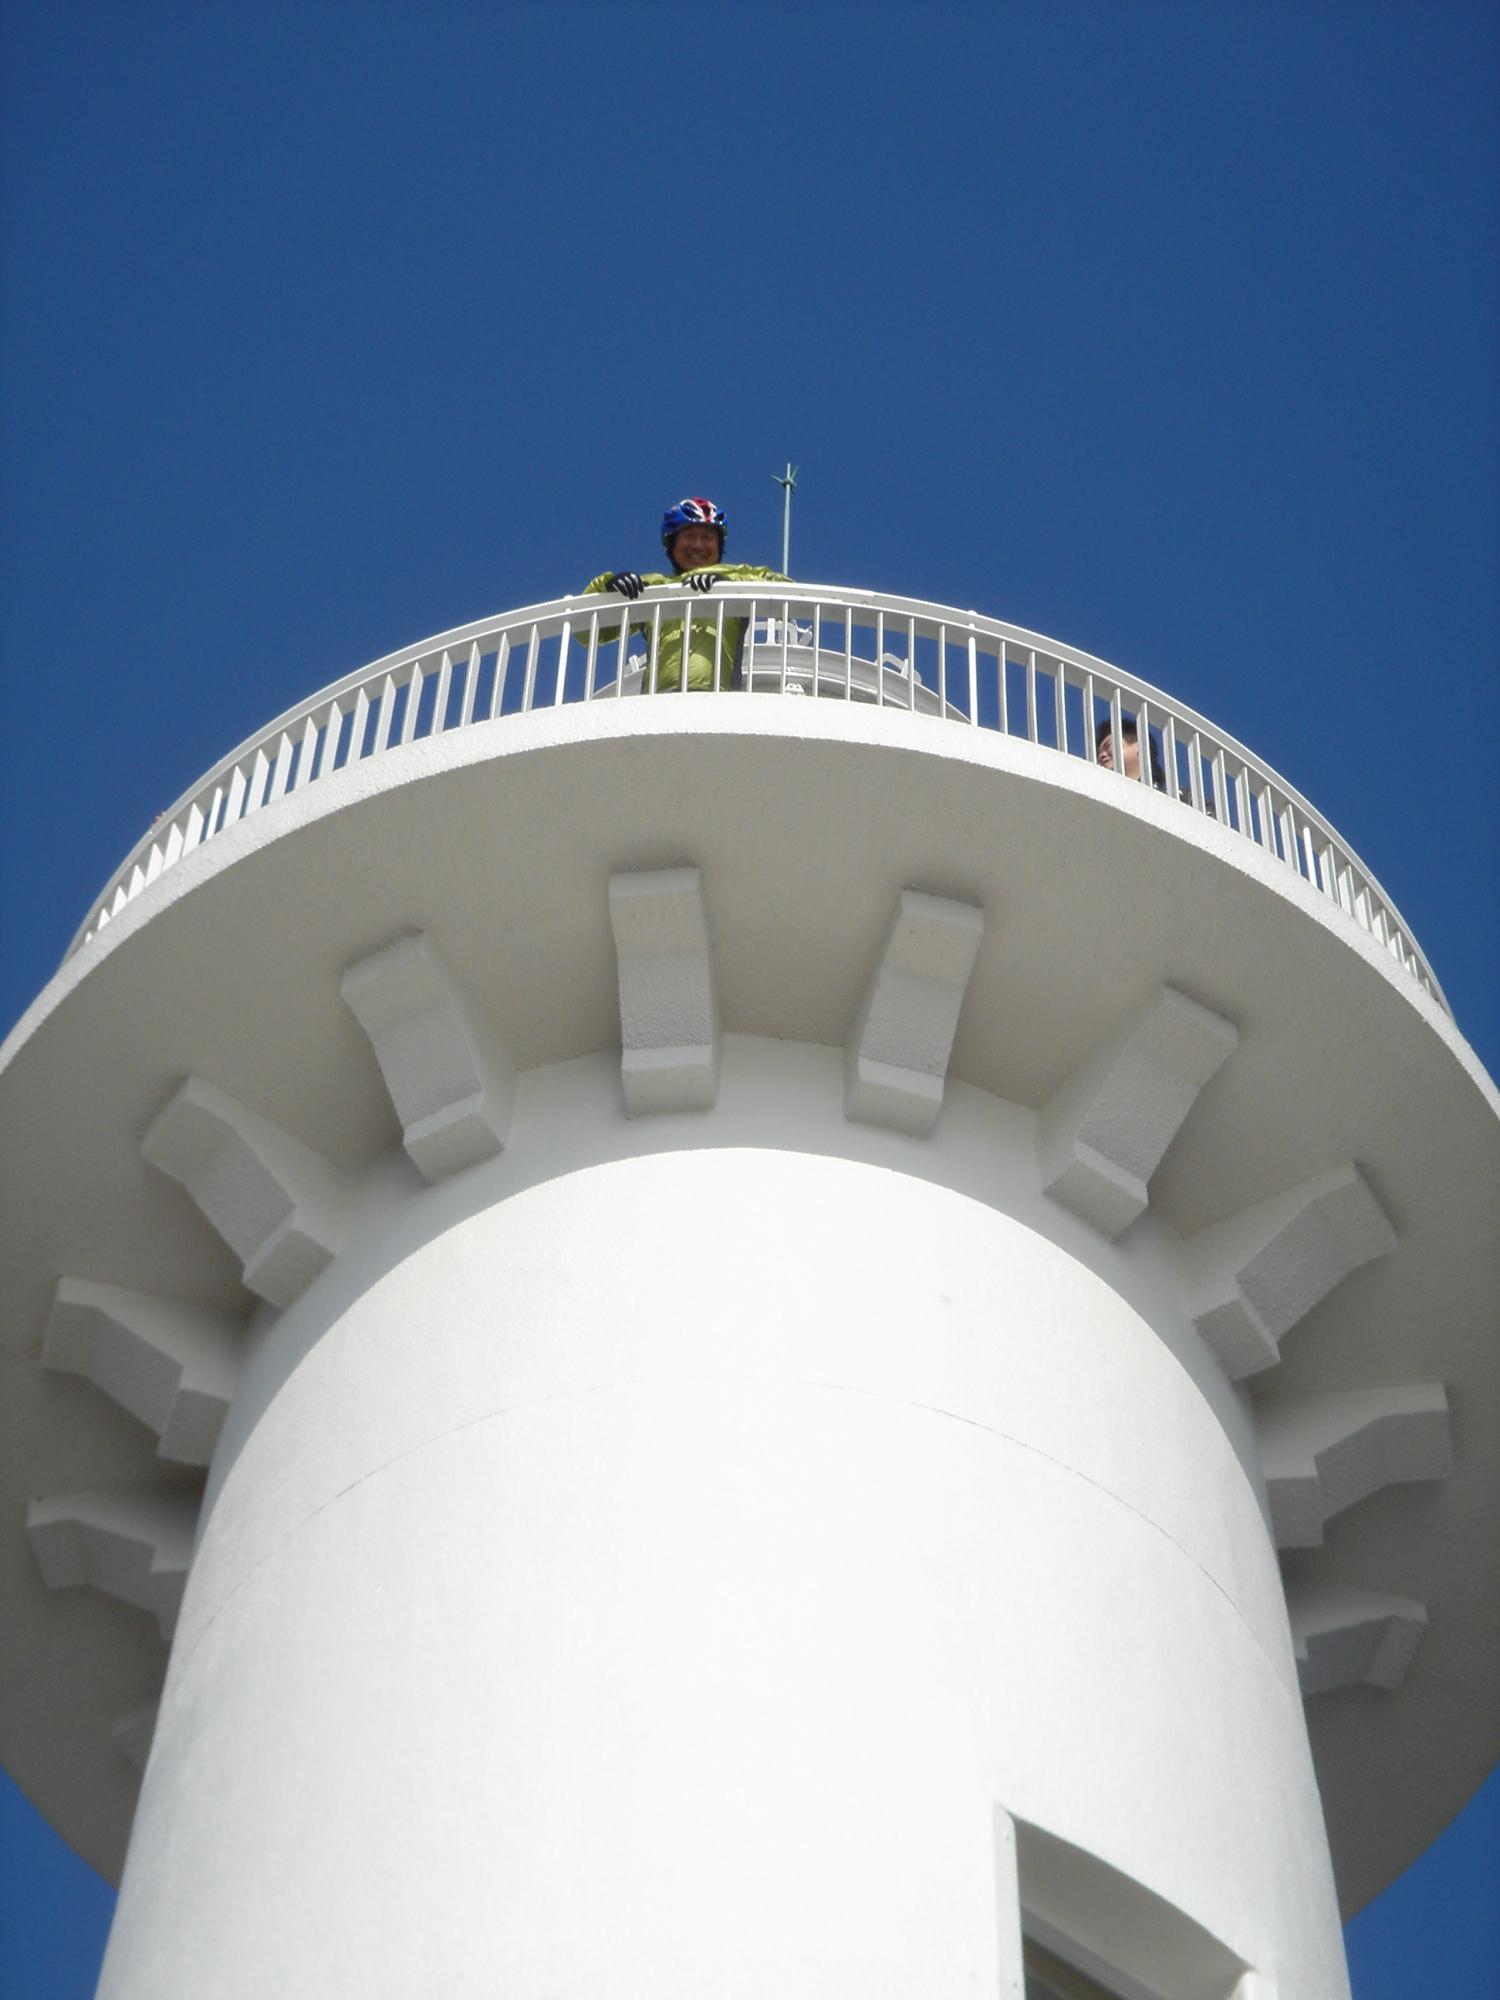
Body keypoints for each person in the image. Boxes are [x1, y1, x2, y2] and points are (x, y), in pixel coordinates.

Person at [579, 497, 787, 692]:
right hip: (658, 704)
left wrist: (729, 585)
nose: (698, 545)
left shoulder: (738, 575)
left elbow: (785, 588)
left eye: (707, 538)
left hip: (718, 702)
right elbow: (585, 631)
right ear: (671, 543)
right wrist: (607, 586)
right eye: (689, 537)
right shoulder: (651, 587)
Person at [1095, 715, 1167, 790]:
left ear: (1139, 746)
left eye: (1108, 745)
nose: (1101, 755)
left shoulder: (1172, 795)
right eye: (1099, 754)